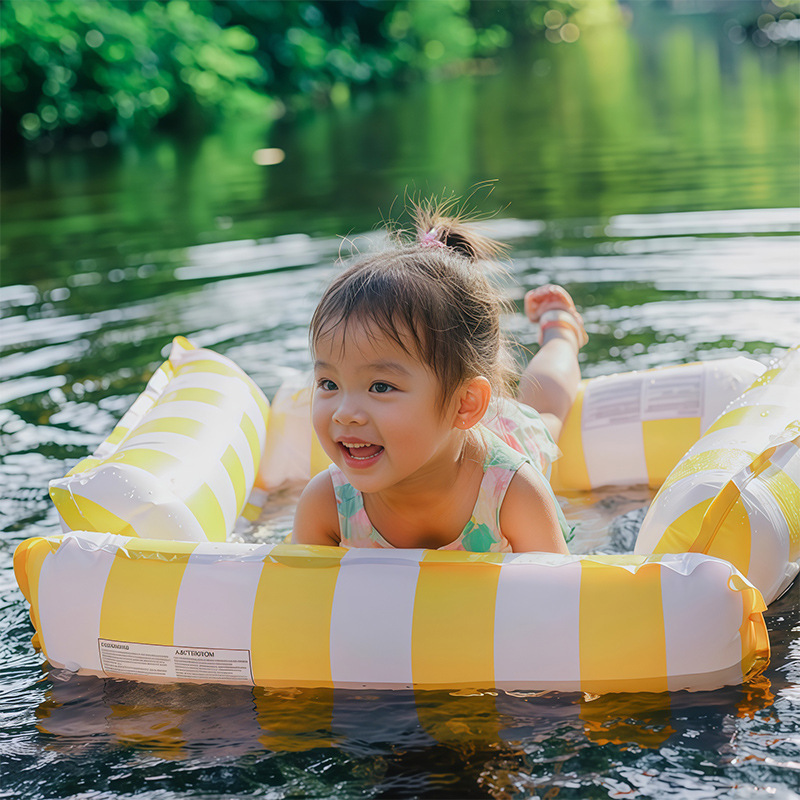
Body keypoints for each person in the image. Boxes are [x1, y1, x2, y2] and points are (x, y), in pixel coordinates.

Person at [292, 202, 586, 554]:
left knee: (546, 414)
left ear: (465, 403)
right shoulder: (327, 503)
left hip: (501, 437)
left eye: (380, 386)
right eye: (329, 383)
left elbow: (557, 586)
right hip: (449, 429)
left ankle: (561, 333)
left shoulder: (515, 493)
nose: (344, 413)